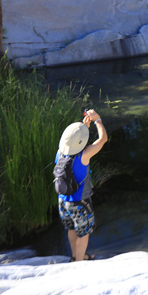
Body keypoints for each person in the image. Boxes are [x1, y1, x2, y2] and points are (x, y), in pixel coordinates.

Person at [55, 109, 107, 261]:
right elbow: (103, 139)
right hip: (80, 203)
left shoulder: (60, 153)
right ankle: (79, 262)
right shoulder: (84, 156)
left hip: (63, 200)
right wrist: (98, 120)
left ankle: (75, 256)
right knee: (83, 233)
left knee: (71, 228)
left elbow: (74, 146)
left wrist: (84, 130)